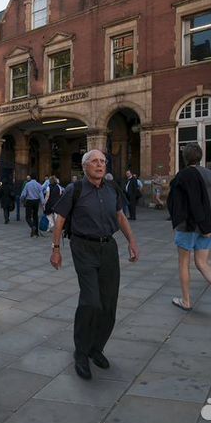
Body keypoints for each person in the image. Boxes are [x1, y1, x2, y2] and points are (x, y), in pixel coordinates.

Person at [50, 149, 139, 380]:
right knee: (91, 301)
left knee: (109, 304)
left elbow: (120, 216)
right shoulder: (75, 189)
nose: (100, 165)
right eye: (95, 162)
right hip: (83, 247)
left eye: (103, 161)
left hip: (108, 248)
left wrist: (132, 242)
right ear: (85, 166)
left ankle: (96, 348)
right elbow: (60, 220)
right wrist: (56, 249)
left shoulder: (112, 188)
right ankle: (80, 352)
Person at [167, 143, 211, 327]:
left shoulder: (181, 176)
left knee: (184, 264)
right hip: (205, 227)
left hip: (186, 227)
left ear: (184, 157)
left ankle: (186, 300)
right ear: (200, 156)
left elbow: (175, 203)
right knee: (203, 264)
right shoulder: (210, 175)